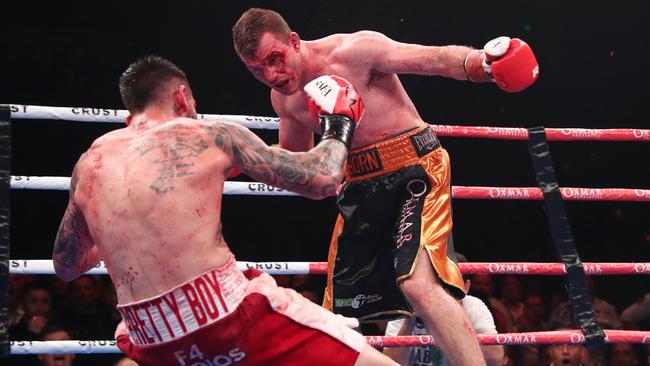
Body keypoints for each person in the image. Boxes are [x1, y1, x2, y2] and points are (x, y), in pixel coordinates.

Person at [233, 8, 538, 365]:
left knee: (418, 284)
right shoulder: (283, 99)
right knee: (338, 307)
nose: (272, 74)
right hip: (358, 187)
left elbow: (435, 59)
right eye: (257, 70)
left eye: (275, 58)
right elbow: (294, 164)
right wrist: (230, 160)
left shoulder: (353, 52)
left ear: (294, 42)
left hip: (414, 168)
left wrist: (483, 64)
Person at [52, 55, 397, 366]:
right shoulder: (207, 134)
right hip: (225, 319)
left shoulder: (91, 162)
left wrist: (120, 231)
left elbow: (66, 265)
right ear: (181, 97)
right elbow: (321, 180)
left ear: (129, 117)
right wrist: (339, 123)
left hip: (151, 340)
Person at [383, 253, 504, 366]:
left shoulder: (473, 306)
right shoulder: (408, 304)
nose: (445, 289)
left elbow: (496, 358)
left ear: (466, 287)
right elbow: (389, 363)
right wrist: (409, 324)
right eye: (440, 281)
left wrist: (457, 318)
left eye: (452, 283)